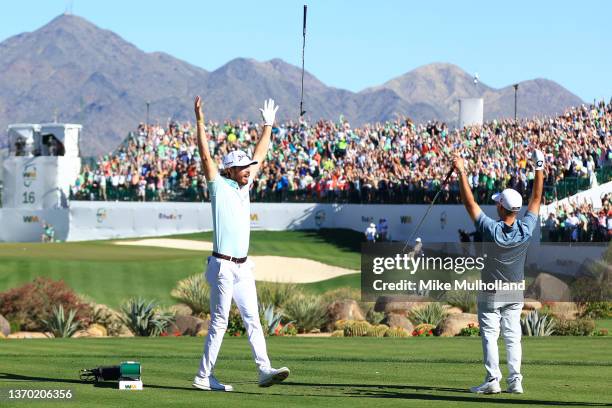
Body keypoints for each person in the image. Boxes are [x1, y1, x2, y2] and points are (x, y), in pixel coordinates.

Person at [192, 96, 290, 392]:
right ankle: (203, 376)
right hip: (222, 265)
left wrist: (268, 125)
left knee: (253, 319)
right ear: (230, 171)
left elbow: (260, 153)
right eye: (242, 167)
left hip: (243, 266)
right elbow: (206, 157)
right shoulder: (218, 187)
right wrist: (199, 121)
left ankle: (264, 370)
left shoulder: (244, 187)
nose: (249, 169)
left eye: (248, 167)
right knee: (220, 323)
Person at [453, 148, 544, 395]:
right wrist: (539, 166)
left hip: (492, 292)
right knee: (513, 337)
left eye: (497, 203)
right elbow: (536, 199)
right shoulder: (526, 228)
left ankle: (493, 380)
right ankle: (516, 382)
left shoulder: (491, 230)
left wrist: (461, 171)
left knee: (491, 336)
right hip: (515, 292)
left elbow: (469, 203)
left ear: (502, 208)